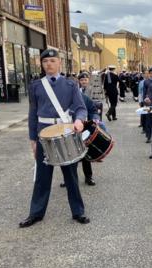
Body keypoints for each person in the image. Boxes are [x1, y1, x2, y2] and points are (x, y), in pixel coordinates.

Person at [20, 49, 89, 228]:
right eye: (45, 61)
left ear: (59, 63)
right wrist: (32, 138)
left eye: (52, 60)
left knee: (71, 176)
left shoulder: (70, 84)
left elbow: (80, 107)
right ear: (41, 65)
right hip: (44, 135)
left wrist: (80, 121)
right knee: (42, 176)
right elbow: (33, 113)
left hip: (65, 132)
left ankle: (78, 211)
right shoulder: (35, 85)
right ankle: (35, 213)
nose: (49, 64)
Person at [143, 68, 152, 143]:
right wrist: (144, 103)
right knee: (148, 120)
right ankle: (148, 136)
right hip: (148, 104)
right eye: (151, 73)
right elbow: (144, 93)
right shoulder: (146, 82)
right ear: (149, 74)